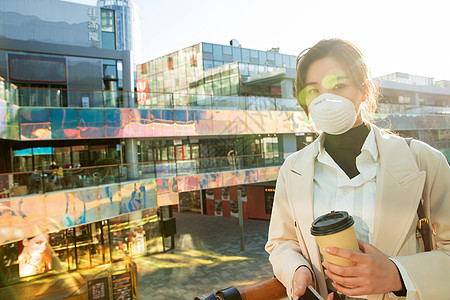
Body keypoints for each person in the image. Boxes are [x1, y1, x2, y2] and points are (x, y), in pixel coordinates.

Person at [265, 39, 449, 300]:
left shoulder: (424, 161)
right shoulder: (292, 170)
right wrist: (297, 270)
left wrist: (398, 274)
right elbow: (281, 243)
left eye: (338, 85)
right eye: (313, 90)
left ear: (364, 90)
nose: (326, 99)